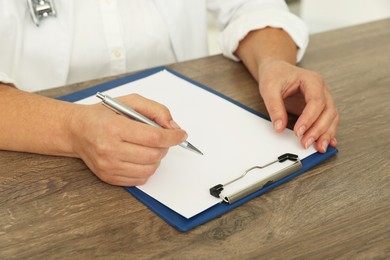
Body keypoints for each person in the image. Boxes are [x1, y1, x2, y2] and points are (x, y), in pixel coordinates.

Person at [0, 0, 339, 186]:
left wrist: (274, 62)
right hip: (36, 167)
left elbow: (250, 6)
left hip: (180, 147)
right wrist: (73, 129)